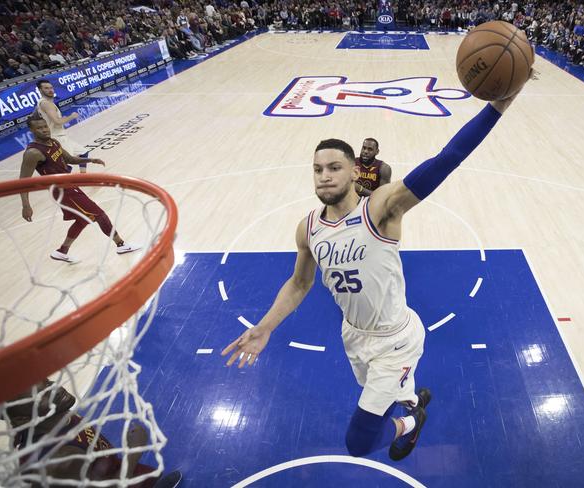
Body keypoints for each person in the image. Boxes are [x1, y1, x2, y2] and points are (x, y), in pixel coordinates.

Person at [222, 79, 530, 461]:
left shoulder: (381, 208)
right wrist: (264, 327)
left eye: (335, 167)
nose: (324, 175)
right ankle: (407, 397)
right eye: (317, 169)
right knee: (385, 396)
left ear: (354, 171)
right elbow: (300, 283)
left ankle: (412, 421)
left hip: (395, 339)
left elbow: (446, 159)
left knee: (360, 442)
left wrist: (498, 106)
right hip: (353, 336)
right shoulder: (308, 228)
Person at [0, 380, 182, 487]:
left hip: (115, 471)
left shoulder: (57, 417)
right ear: (22, 419)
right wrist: (133, 452)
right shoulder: (55, 460)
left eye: (46, 382)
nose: (54, 388)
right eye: (40, 395)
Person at [20, 114, 140, 264]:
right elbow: (23, 181)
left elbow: (70, 159)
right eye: (39, 128)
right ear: (31, 130)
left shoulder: (53, 142)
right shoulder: (33, 153)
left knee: (82, 220)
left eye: (45, 126)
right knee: (99, 215)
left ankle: (62, 252)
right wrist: (26, 205)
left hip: (70, 186)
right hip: (62, 191)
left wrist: (90, 159)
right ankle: (121, 245)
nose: (44, 130)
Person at [35, 79, 89, 173]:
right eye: (46, 88)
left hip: (60, 135)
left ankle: (83, 177)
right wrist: (71, 117)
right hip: (57, 137)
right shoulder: (46, 104)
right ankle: (64, 185)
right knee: (66, 164)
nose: (50, 90)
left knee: (83, 152)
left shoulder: (44, 103)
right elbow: (57, 122)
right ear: (40, 90)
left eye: (51, 88)